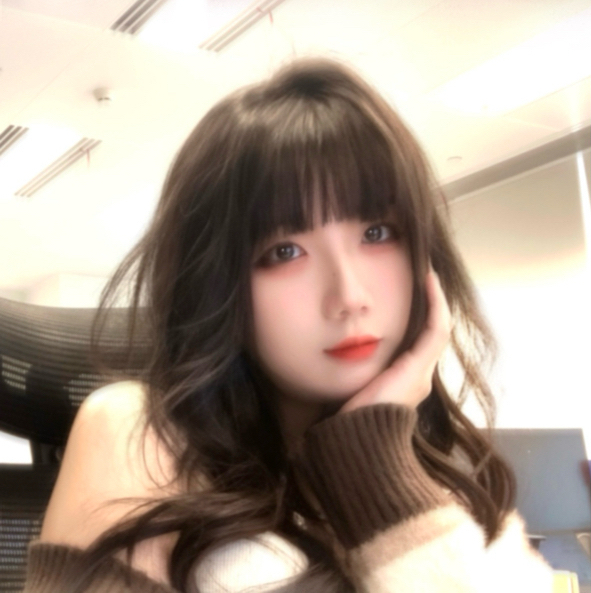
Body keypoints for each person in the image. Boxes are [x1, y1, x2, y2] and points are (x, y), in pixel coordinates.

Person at [23, 58, 554, 593]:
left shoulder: (449, 475)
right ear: (216, 284)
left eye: (376, 233)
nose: (349, 297)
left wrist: (374, 463)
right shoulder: (140, 438)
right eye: (284, 251)